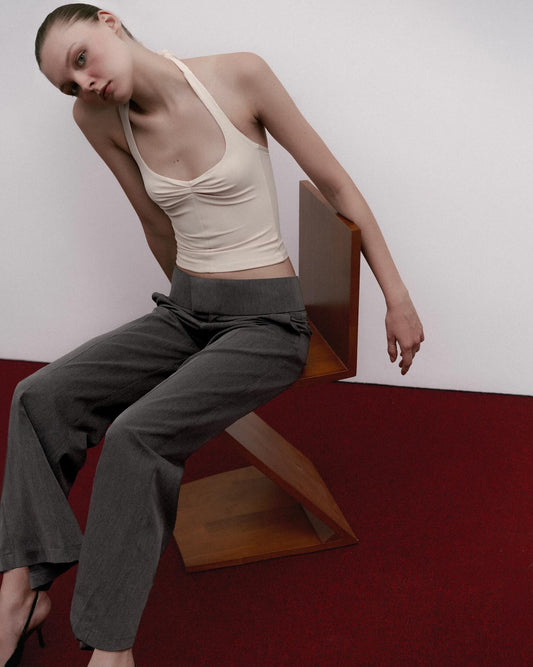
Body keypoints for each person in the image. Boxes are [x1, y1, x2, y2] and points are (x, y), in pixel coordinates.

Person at [0, 4, 424, 666]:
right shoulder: (96, 117)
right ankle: (20, 592)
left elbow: (337, 185)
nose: (83, 83)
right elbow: (153, 220)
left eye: (80, 58)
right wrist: (184, 323)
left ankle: (111, 650)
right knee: (37, 397)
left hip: (268, 321)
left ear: (109, 22)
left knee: (136, 436)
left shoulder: (239, 75)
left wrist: (396, 298)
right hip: (188, 309)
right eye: (68, 83)